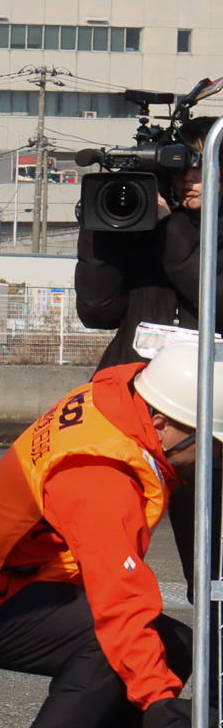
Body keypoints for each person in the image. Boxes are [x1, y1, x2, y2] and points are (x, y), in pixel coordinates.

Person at [0, 341, 208, 728]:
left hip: (22, 581)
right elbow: (119, 603)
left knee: (175, 644)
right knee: (112, 638)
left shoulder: (124, 401)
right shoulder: (98, 474)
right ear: (162, 422)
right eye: (211, 441)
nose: (213, 455)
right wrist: (162, 708)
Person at [77, 116, 213, 592]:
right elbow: (97, 310)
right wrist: (103, 226)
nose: (190, 179)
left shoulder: (173, 226)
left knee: (212, 572)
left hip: (204, 429)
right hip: (129, 418)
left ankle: (213, 663)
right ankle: (117, 661)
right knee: (105, 566)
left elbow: (214, 296)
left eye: (205, 166)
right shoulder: (146, 221)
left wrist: (171, 226)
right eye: (182, 168)